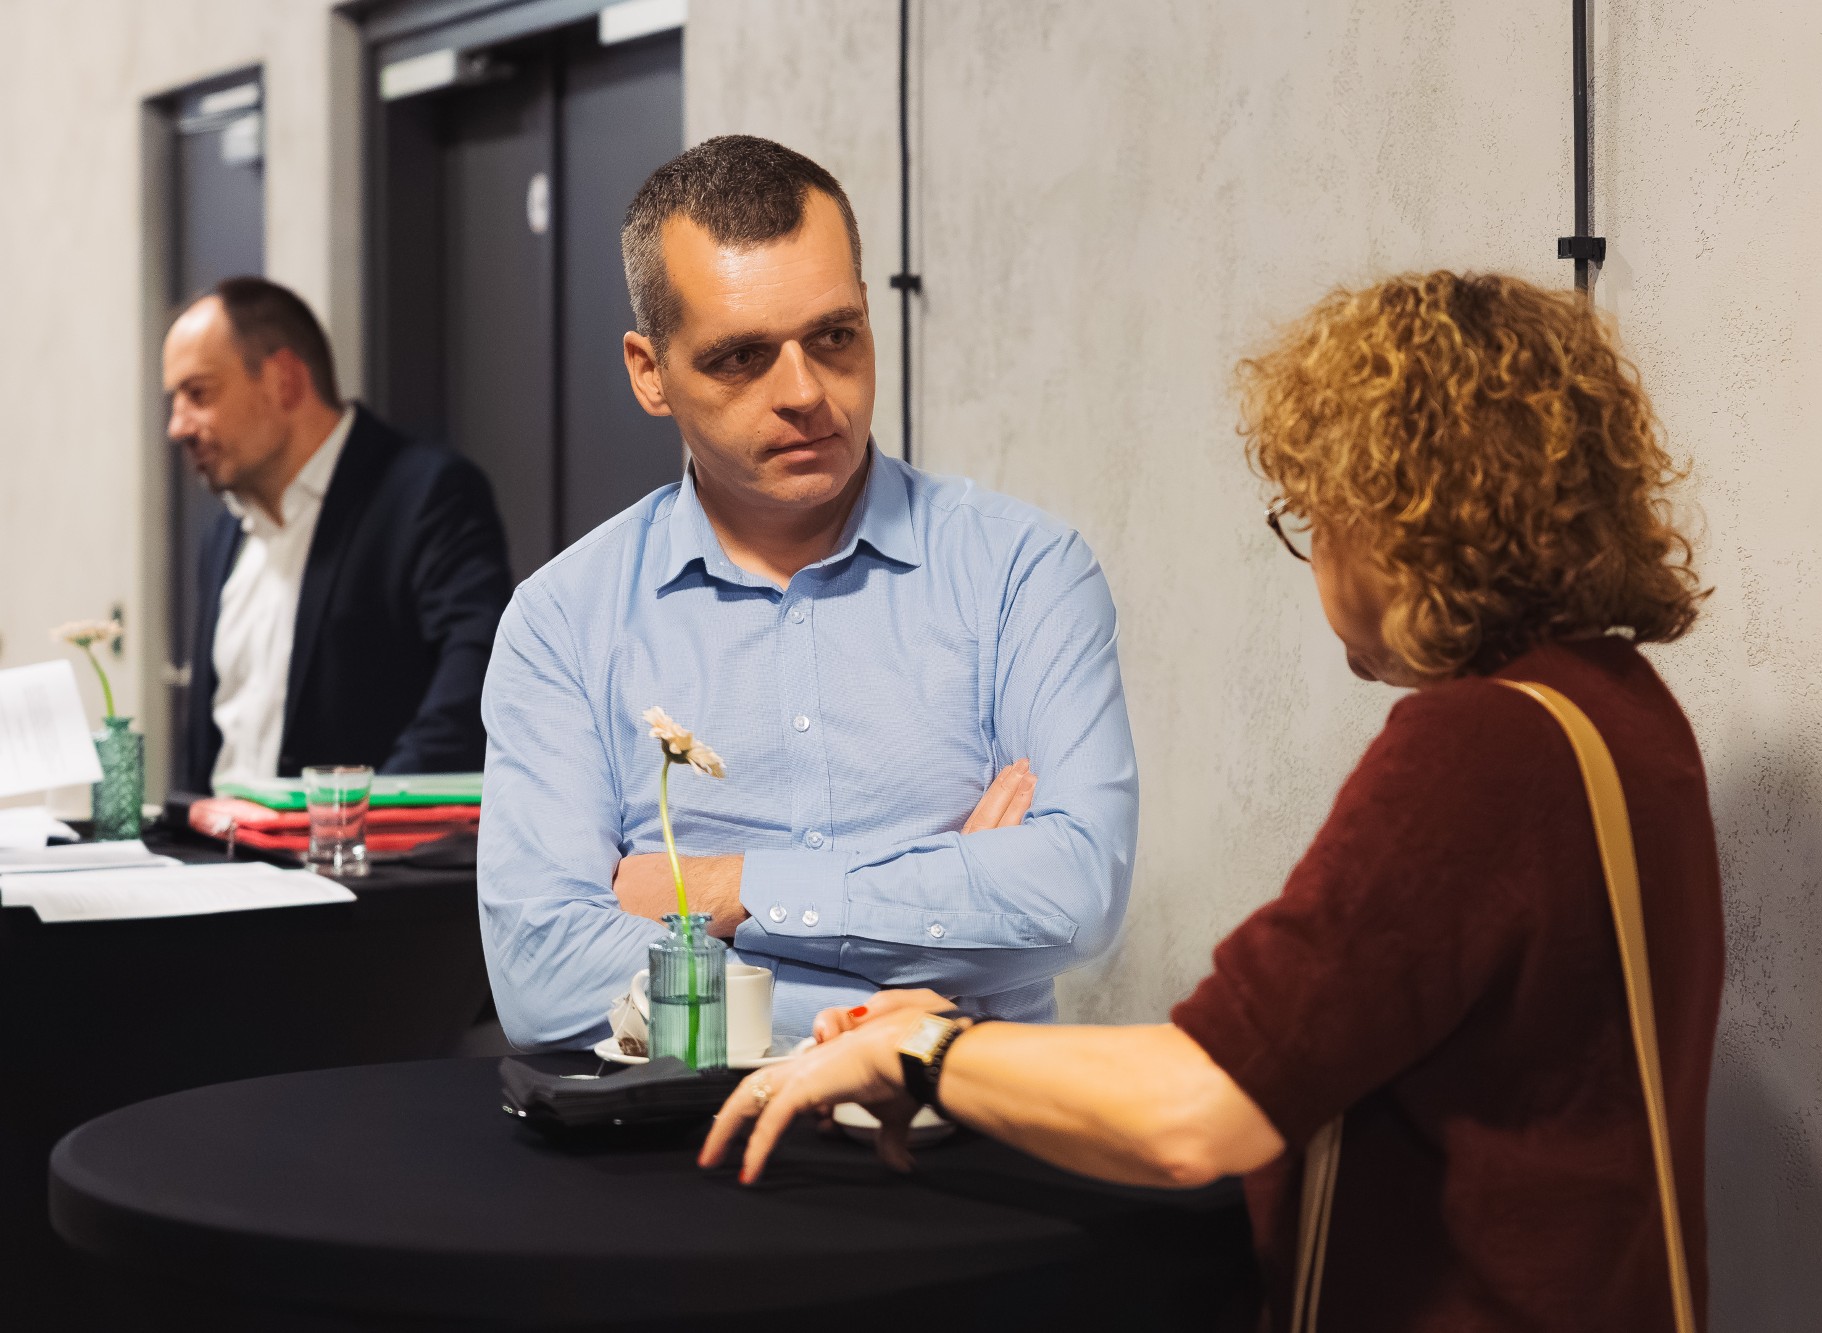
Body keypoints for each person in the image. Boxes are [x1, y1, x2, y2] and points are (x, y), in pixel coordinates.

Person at [703, 272, 1724, 1332]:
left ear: (1397, 520)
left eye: (1315, 516)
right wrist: (951, 1034)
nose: (1318, 556)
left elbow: (1200, 1106)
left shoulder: (1477, 750)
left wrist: (919, 1052)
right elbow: (1268, 1047)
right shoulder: (1617, 712)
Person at [477, 136, 1138, 1048]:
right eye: (742, 357)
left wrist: (725, 890)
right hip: (681, 1130)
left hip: (962, 1129)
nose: (805, 392)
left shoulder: (1022, 573)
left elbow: (1076, 896)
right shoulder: (562, 622)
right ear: (649, 372)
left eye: (834, 337)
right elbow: (544, 973)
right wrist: (917, 976)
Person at [164, 277, 513, 792]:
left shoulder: (427, 496)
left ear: (283, 379)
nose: (177, 426)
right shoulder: (222, 536)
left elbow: (474, 690)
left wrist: (358, 822)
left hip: (357, 843)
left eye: (198, 393)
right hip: (219, 841)